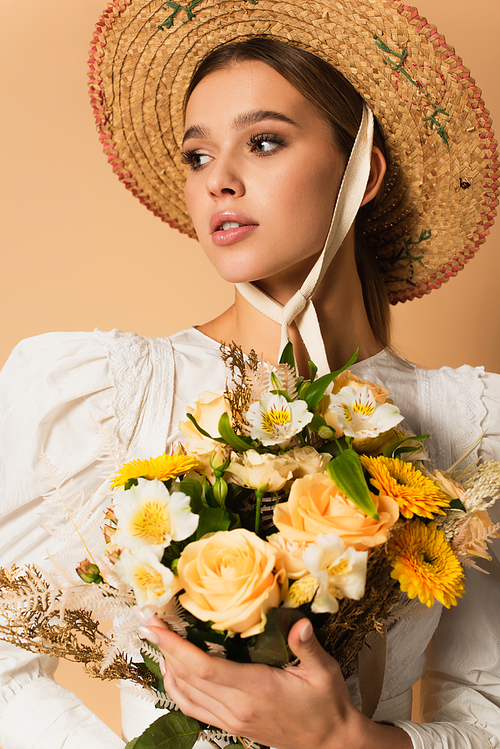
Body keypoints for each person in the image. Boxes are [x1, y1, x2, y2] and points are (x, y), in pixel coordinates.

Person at [0, 1, 499, 748]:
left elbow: (487, 709)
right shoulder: (101, 390)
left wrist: (346, 739)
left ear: (363, 174)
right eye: (198, 156)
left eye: (263, 142)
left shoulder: (470, 425)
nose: (218, 182)